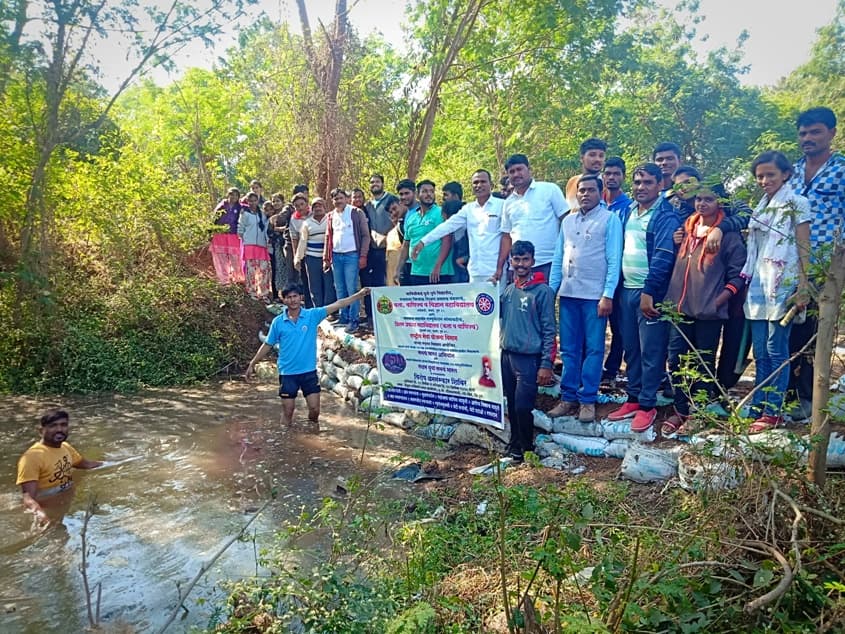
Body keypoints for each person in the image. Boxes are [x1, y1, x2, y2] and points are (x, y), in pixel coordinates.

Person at [662, 185, 747, 436]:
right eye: (698, 199)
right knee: (676, 360)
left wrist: (718, 301)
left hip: (709, 313)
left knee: (703, 363)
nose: (702, 204)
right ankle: (680, 410)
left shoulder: (727, 236)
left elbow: (739, 275)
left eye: (709, 199)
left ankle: (700, 412)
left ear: (720, 202)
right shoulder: (686, 230)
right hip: (680, 310)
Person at [742, 151, 812, 432]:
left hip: (783, 281)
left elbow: (804, 247)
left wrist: (804, 286)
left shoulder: (798, 203)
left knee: (776, 347)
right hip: (759, 281)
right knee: (760, 350)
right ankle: (759, 403)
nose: (764, 180)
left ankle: (773, 410)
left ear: (785, 174)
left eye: (770, 174)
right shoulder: (761, 207)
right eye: (760, 176)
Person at [608, 163, 681, 432]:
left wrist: (649, 291)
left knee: (651, 351)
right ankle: (634, 398)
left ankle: (648, 405)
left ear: (660, 185)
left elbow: (663, 256)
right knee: (631, 349)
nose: (641, 187)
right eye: (637, 182)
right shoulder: (629, 212)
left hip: (649, 293)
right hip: (626, 290)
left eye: (648, 182)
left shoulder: (665, 216)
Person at [245, 284, 371, 430]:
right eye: (288, 297)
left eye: (295, 296)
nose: (292, 300)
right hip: (288, 373)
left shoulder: (312, 315)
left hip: (308, 372)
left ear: (301, 298)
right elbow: (267, 344)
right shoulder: (278, 322)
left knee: (314, 410)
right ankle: (285, 442)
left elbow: (338, 304)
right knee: (288, 411)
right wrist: (253, 363)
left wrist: (359, 295)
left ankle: (312, 432)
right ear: (284, 300)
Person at [548, 174, 622, 422]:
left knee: (593, 349)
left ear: (600, 193)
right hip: (568, 295)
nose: (585, 194)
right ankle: (568, 397)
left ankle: (587, 399)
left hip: (594, 298)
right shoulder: (568, 221)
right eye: (581, 191)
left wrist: (607, 295)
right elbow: (559, 258)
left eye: (590, 190)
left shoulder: (609, 220)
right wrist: (551, 291)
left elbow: (614, 260)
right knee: (569, 350)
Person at [787, 106, 845, 420]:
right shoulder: (791, 172)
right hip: (788, 264)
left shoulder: (841, 170)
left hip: (827, 266)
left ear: (832, 133)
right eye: (803, 133)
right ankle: (786, 395)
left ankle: (809, 400)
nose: (807, 138)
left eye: (815, 132)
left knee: (815, 334)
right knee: (789, 333)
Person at [500, 240, 556, 462]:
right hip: (507, 357)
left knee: (524, 407)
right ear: (511, 261)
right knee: (512, 406)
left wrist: (546, 364)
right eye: (517, 259)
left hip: (528, 360)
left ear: (533, 261)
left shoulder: (543, 292)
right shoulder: (508, 291)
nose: (520, 264)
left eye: (525, 259)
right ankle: (514, 446)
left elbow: (550, 330)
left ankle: (528, 449)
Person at [411, 169, 504, 284]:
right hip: (474, 271)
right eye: (475, 182)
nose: (479, 185)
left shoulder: (502, 206)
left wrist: (502, 267)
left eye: (483, 182)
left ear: (491, 184)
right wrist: (423, 242)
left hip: (496, 270)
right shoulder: (468, 209)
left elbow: (508, 238)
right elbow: (447, 226)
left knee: (498, 301)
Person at [16, 409, 102, 526]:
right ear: (41, 431)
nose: (59, 429)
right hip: (46, 510)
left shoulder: (66, 448)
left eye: (63, 425)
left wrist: (121, 461)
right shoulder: (32, 457)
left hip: (64, 503)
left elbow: (87, 465)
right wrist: (44, 519)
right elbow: (28, 499)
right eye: (53, 426)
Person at [496, 154, 569, 283]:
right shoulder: (508, 203)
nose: (516, 174)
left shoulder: (549, 190)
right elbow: (506, 236)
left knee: (546, 301)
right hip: (519, 267)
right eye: (512, 172)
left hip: (549, 262)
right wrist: (502, 267)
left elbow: (567, 221)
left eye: (519, 169)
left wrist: (566, 254)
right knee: (522, 303)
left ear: (529, 169)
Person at [601, 157, 633, 383]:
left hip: (621, 276)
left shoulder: (630, 206)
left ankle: (613, 369)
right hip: (594, 275)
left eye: (616, 173)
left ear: (623, 176)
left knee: (620, 328)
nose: (611, 177)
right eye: (608, 173)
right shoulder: (595, 202)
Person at [324, 188, 370, 332]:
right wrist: (326, 258)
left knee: (352, 289)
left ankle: (353, 320)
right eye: (335, 199)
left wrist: (363, 255)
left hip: (352, 256)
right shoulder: (331, 216)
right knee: (340, 288)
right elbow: (328, 237)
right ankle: (343, 317)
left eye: (341, 198)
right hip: (336, 256)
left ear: (346, 198)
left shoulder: (356, 213)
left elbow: (365, 235)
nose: (338, 201)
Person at [397, 179, 454, 285]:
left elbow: (447, 240)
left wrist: (438, 266)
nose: (429, 194)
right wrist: (398, 269)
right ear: (417, 195)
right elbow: (406, 245)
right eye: (425, 191)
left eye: (432, 191)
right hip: (416, 272)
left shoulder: (441, 213)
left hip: (438, 273)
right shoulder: (411, 218)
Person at [362, 175, 397, 319]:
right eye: (371, 182)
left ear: (383, 183)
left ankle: (390, 315)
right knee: (372, 281)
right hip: (372, 249)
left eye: (377, 182)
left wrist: (388, 236)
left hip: (390, 248)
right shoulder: (367, 205)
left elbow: (397, 220)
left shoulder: (392, 200)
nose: (374, 184)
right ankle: (372, 315)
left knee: (389, 281)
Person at [294, 197, 336, 310]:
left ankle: (329, 311)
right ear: (312, 209)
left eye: (320, 206)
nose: (318, 208)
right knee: (314, 285)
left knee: (329, 285)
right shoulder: (307, 223)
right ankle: (317, 310)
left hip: (328, 258)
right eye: (315, 206)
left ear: (325, 207)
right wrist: (298, 258)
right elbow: (302, 241)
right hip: (312, 258)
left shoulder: (331, 219)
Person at [238, 191, 272, 302]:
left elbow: (266, 227)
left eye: (255, 200)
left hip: (262, 245)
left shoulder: (261, 214)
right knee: (251, 271)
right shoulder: (244, 213)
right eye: (250, 201)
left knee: (264, 270)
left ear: (258, 201)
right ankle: (252, 291)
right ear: (247, 202)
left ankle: (264, 293)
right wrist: (245, 240)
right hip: (249, 245)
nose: (253, 203)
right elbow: (240, 228)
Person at [210, 187, 245, 285]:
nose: (233, 197)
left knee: (235, 258)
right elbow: (214, 219)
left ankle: (238, 278)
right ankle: (224, 280)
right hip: (220, 235)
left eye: (236, 195)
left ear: (238, 197)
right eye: (231, 194)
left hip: (234, 235)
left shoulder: (240, 207)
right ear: (227, 195)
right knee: (221, 258)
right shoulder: (221, 206)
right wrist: (211, 232)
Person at [565, 138, 607, 209]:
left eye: (601, 156)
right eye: (592, 155)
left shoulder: (606, 185)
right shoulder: (572, 182)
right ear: (582, 158)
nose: (597, 159)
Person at [288, 187, 313, 307]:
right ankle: (308, 305)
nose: (300, 207)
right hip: (303, 252)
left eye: (302, 204)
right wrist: (296, 257)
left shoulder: (314, 213)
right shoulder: (293, 219)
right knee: (305, 280)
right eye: (297, 205)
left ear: (307, 203)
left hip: (316, 251)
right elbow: (294, 238)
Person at [267, 192, 293, 301]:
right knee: (276, 269)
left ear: (282, 202)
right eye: (274, 201)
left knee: (287, 269)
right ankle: (277, 294)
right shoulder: (270, 216)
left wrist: (279, 228)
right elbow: (269, 231)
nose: (275, 203)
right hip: (275, 246)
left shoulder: (287, 213)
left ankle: (290, 293)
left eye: (278, 201)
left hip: (287, 245)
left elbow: (290, 228)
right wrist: (277, 229)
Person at [386, 197, 407, 286]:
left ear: (401, 204)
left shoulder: (409, 223)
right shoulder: (390, 233)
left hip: (405, 270)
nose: (393, 213)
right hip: (392, 273)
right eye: (391, 212)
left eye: (394, 209)